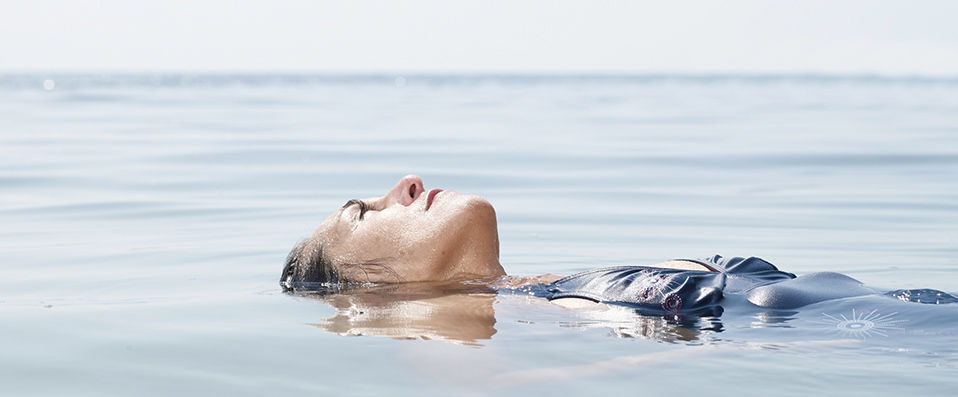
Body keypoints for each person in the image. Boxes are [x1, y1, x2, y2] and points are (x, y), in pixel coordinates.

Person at [281, 175, 956, 315]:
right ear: (368, 287)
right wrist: (669, 362)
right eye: (362, 211)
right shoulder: (461, 326)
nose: (407, 183)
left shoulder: (529, 296)